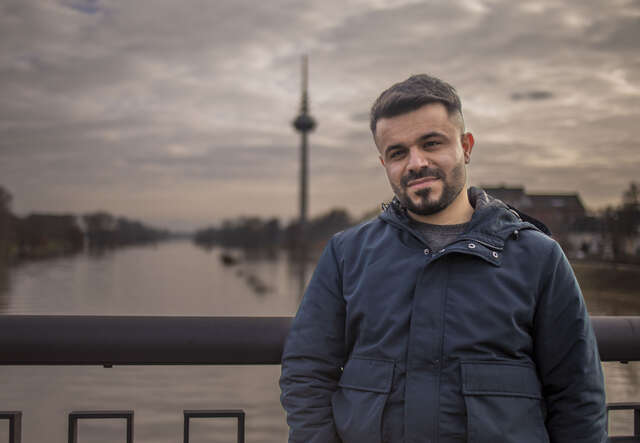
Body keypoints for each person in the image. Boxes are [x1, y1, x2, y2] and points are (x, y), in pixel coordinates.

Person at [279, 74, 607, 443]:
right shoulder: (346, 255)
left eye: (431, 143)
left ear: (465, 146)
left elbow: (577, 395)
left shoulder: (538, 258)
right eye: (398, 152)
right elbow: (307, 372)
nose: (416, 163)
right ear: (384, 162)